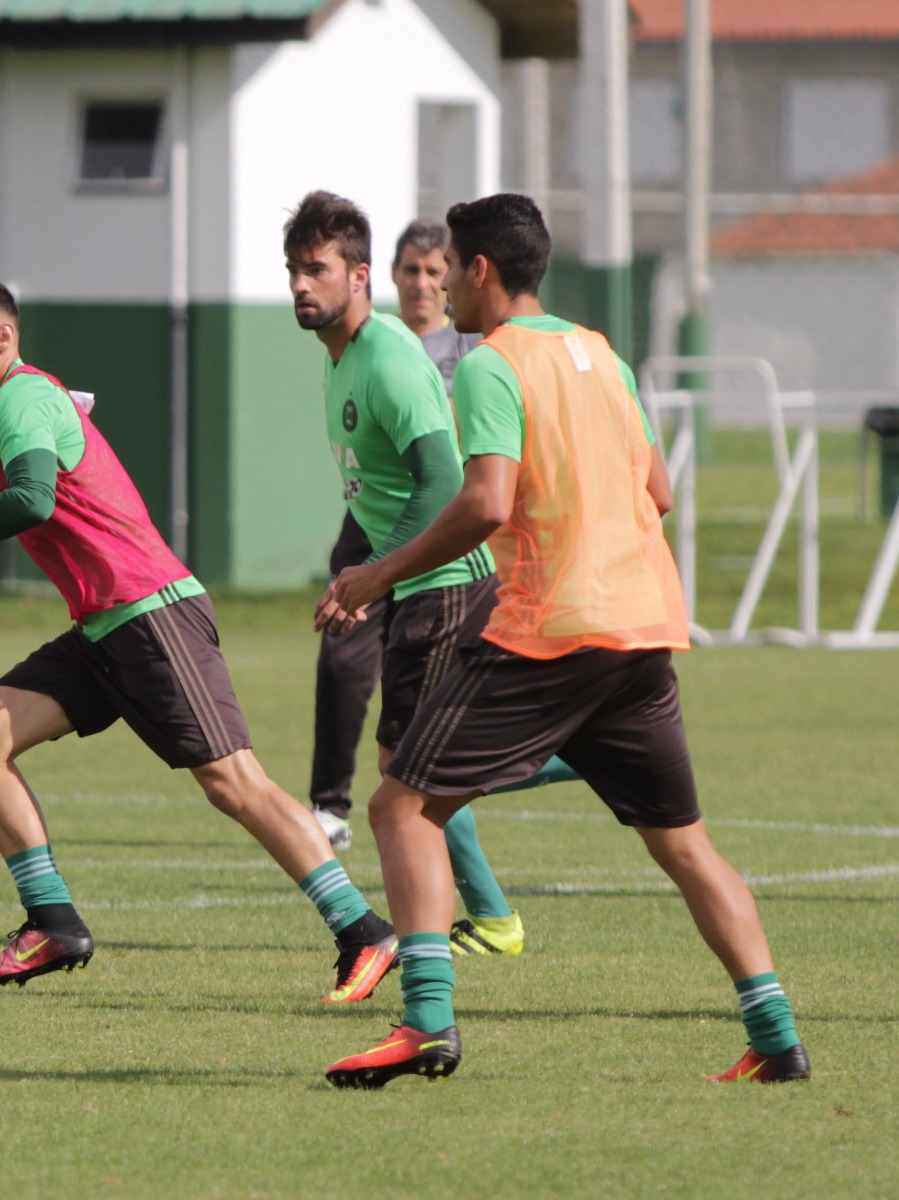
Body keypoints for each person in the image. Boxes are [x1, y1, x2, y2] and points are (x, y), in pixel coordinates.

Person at [322, 194, 808, 1087]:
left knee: (399, 807)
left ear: (477, 271)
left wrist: (373, 575)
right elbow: (657, 492)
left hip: (547, 631)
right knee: (684, 843)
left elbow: (484, 502)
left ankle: (426, 1022)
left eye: (450, 266)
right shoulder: (602, 355)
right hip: (641, 630)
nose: (445, 290)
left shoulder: (491, 364)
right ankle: (775, 1036)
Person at [0, 270, 398, 1001]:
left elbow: (32, 498)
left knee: (234, 785)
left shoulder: (19, 398)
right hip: (104, 628)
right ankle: (52, 922)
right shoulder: (24, 397)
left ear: (4, 338)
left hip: (149, 614)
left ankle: (361, 930)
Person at [289, 196, 525, 959]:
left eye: (316, 269)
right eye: (293, 269)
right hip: (419, 584)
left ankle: (430, 945)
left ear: (359, 276)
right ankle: (484, 915)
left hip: (445, 585)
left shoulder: (388, 358)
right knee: (408, 766)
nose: (301, 284)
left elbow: (439, 480)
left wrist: (374, 576)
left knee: (407, 778)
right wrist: (365, 576)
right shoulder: (340, 361)